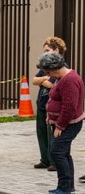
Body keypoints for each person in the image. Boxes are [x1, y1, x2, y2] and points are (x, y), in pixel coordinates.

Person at [39, 51, 84, 194]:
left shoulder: (69, 80)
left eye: (49, 71)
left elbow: (69, 107)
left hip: (68, 124)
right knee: (64, 153)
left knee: (57, 152)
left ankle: (64, 188)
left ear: (56, 68)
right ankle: (68, 187)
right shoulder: (64, 78)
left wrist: (60, 126)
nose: (48, 74)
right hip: (66, 123)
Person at [32, 37, 66, 170]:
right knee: (41, 133)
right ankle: (44, 159)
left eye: (47, 50)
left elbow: (51, 84)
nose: (45, 53)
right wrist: (44, 78)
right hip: (41, 104)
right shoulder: (45, 63)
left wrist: (44, 79)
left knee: (51, 134)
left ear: (56, 50)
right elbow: (34, 80)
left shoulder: (60, 65)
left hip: (52, 106)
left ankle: (54, 161)